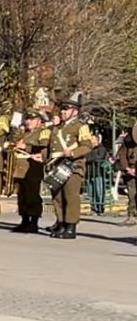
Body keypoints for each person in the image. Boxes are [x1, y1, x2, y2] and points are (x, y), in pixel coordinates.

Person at [47, 93, 92, 238]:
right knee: (57, 196)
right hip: (57, 164)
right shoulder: (58, 128)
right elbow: (51, 147)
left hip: (73, 165)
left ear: (75, 111)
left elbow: (87, 146)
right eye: (62, 109)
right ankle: (61, 223)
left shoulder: (80, 126)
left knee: (70, 196)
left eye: (66, 109)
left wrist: (72, 153)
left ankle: (71, 226)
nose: (63, 112)